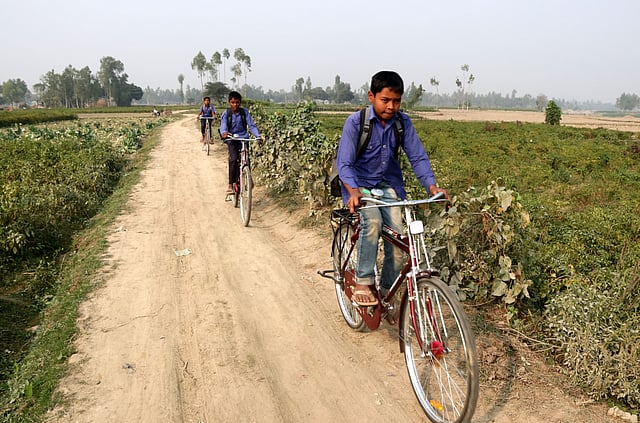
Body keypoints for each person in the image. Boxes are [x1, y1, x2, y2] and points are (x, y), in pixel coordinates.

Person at [336, 70, 449, 307]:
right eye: (385, 100)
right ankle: (364, 281)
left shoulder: (402, 122)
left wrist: (432, 187)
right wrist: (354, 191)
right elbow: (344, 163)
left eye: (396, 101)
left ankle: (386, 291)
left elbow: (417, 157)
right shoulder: (356, 122)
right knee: (373, 222)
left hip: (388, 186)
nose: (391, 106)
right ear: (371, 96)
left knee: (399, 241)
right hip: (358, 185)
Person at [219, 91, 262, 193]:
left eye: (237, 102)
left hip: (243, 138)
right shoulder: (227, 113)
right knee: (233, 159)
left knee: (246, 158)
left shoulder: (245, 112)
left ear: (240, 102)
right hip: (231, 138)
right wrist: (224, 132)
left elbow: (251, 125)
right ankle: (230, 184)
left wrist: (258, 135)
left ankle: (248, 176)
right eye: (233, 102)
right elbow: (223, 125)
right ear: (229, 102)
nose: (235, 105)